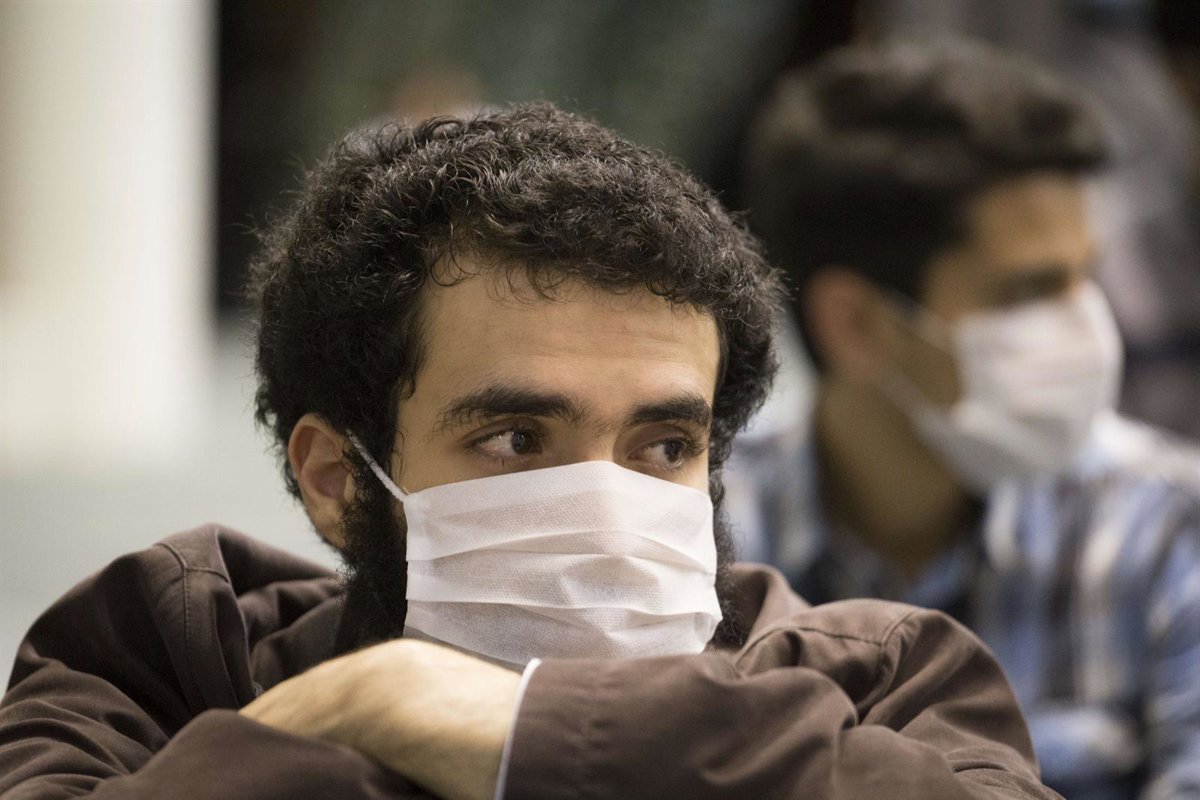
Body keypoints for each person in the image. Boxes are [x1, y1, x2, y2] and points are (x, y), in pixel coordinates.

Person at [0, 104, 1059, 800]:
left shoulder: (880, 682)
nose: (605, 504)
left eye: (665, 443)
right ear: (336, 477)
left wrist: (493, 726)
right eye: (515, 439)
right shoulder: (164, 658)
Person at [729, 40, 1200, 799]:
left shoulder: (1168, 524)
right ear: (855, 324)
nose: (1088, 324)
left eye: (1085, 276)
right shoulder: (701, 537)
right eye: (1027, 292)